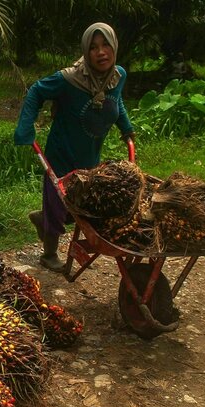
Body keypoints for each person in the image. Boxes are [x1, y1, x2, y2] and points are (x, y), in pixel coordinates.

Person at [13, 22, 136, 272]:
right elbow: (36, 91)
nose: (101, 52)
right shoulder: (68, 79)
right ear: (85, 51)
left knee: (84, 204)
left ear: (114, 46)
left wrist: (126, 128)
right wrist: (26, 126)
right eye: (93, 48)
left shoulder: (117, 76)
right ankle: (49, 254)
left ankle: (44, 217)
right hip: (62, 153)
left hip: (89, 154)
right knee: (59, 203)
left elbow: (116, 101)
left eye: (105, 46)